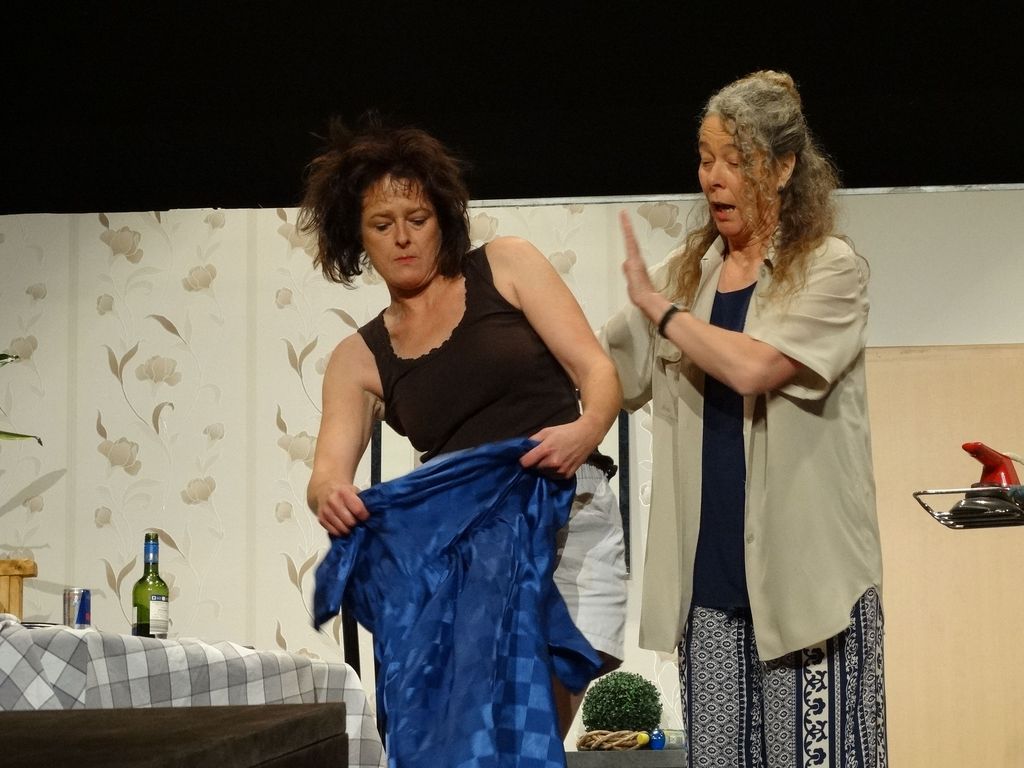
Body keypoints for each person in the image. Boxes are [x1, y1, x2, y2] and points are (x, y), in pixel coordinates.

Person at [298, 116, 627, 750]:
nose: (402, 238)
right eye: (381, 225)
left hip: (566, 506)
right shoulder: (358, 358)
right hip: (464, 548)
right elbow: (326, 476)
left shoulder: (507, 265)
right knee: (478, 728)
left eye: (417, 219)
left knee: (537, 713)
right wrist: (331, 496)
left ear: (443, 217)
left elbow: (598, 372)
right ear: (356, 236)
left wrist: (586, 430)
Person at [602, 70, 887, 767]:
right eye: (706, 159)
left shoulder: (829, 269)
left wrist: (660, 311)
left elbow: (756, 367)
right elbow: (607, 371)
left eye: (737, 159)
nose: (715, 178)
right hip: (709, 595)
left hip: (808, 596)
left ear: (784, 167)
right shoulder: (684, 274)